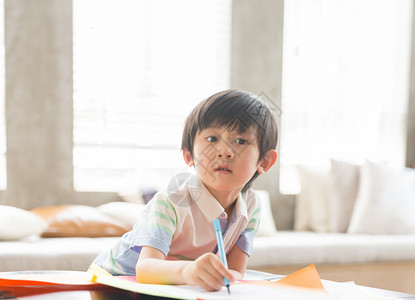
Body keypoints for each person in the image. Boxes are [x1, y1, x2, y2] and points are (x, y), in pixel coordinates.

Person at [91, 89, 278, 292]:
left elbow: (233, 272)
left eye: (241, 141)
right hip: (111, 281)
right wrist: (189, 271)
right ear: (189, 155)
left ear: (264, 161)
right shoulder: (171, 201)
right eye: (213, 139)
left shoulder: (252, 206)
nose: (225, 151)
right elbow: (145, 270)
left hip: (172, 288)